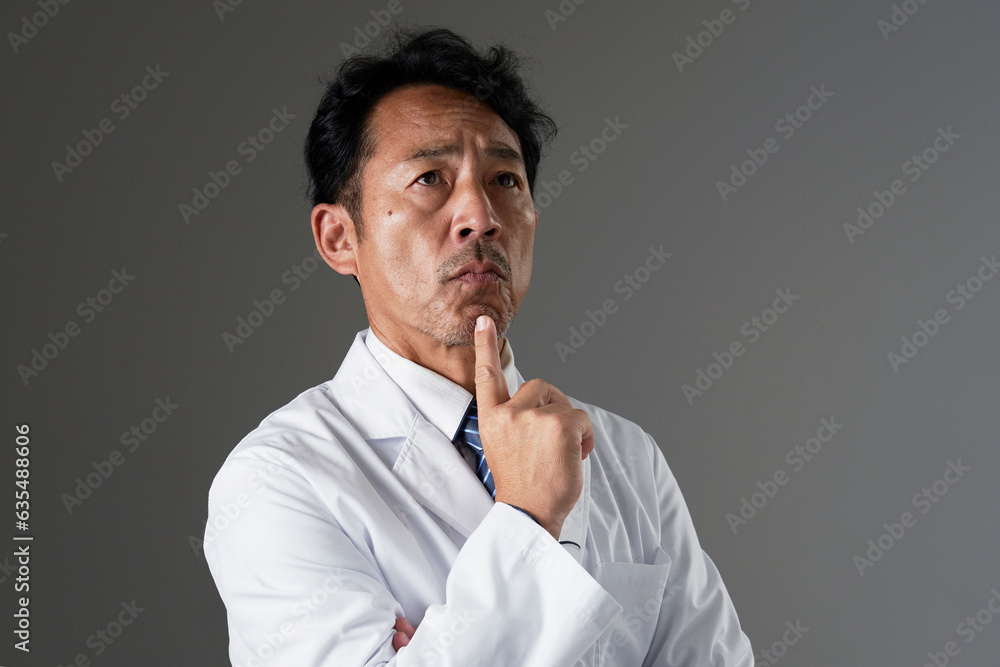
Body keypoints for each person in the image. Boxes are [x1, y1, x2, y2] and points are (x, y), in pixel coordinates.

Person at [203, 27, 753, 666]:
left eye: (505, 180)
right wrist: (527, 520)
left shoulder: (627, 458)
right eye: (429, 178)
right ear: (339, 238)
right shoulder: (276, 480)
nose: (480, 216)